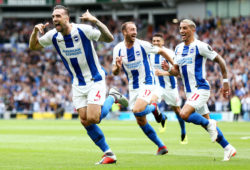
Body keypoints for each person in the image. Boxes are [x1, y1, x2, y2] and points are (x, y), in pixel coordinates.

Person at [29, 5, 129, 164]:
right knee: (84, 120)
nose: (55, 19)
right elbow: (33, 46)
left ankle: (112, 96)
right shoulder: (53, 36)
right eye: (53, 16)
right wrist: (35, 31)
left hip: (95, 79)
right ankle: (108, 153)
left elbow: (109, 38)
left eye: (58, 16)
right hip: (77, 83)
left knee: (93, 118)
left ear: (67, 18)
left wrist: (95, 21)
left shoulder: (83, 30)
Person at [161, 19, 236, 161]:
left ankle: (210, 123)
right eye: (180, 28)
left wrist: (225, 82)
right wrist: (169, 69)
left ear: (193, 30)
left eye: (185, 28)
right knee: (207, 127)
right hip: (191, 93)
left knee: (183, 114)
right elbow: (177, 72)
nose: (181, 31)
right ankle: (228, 148)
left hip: (201, 89)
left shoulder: (200, 46)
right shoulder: (178, 48)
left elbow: (221, 61)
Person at [112, 21, 174, 155]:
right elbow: (114, 72)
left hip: (147, 83)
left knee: (137, 110)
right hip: (133, 87)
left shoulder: (143, 45)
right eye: (131, 30)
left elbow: (162, 50)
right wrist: (117, 66)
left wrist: (174, 66)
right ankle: (161, 146)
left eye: (135, 29)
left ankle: (154, 107)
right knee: (140, 120)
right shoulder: (118, 49)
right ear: (124, 32)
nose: (135, 32)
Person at [149, 33, 187, 144]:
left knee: (178, 111)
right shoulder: (150, 53)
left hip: (171, 88)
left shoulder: (170, 53)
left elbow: (178, 73)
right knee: (152, 102)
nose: (155, 43)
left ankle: (183, 132)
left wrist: (163, 73)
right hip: (158, 87)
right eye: (154, 41)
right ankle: (162, 117)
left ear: (163, 42)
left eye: (158, 41)